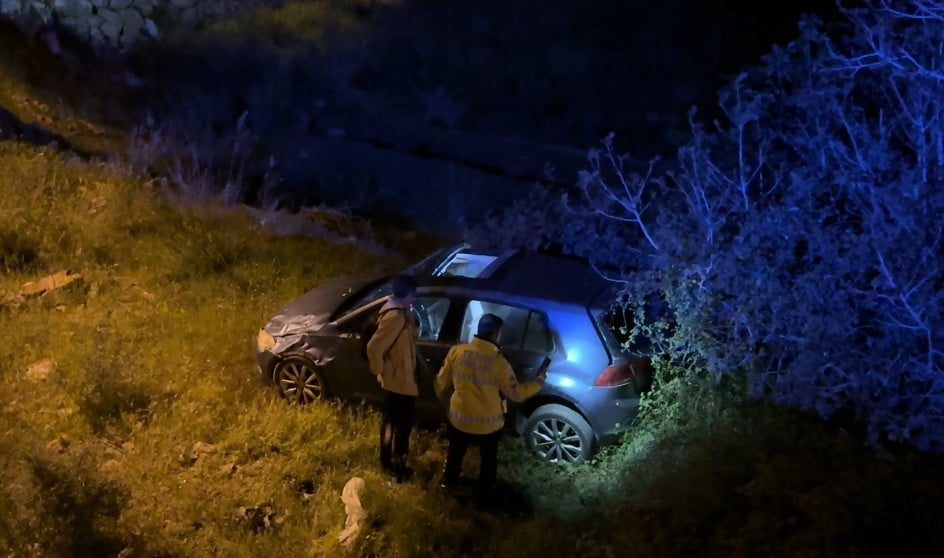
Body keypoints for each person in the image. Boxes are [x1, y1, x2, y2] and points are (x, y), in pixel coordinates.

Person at [435, 313, 547, 507]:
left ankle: (448, 483)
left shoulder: (457, 352)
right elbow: (516, 394)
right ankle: (484, 494)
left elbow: (440, 383)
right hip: (488, 425)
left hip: (459, 419)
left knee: (455, 452)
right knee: (488, 460)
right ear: (496, 334)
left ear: (479, 331)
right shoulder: (499, 363)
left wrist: (448, 404)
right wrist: (538, 382)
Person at [366, 274, 419, 483]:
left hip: (400, 379)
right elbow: (374, 347)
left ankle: (390, 462)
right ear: (405, 294)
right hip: (397, 382)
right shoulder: (394, 317)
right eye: (413, 295)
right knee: (399, 426)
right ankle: (395, 466)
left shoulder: (401, 312)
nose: (415, 299)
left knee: (393, 423)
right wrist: (381, 372)